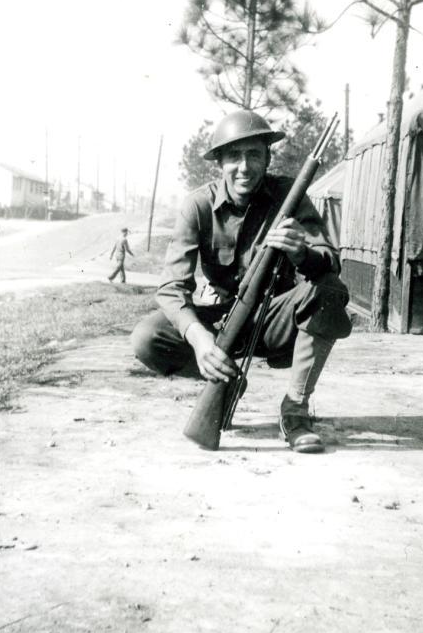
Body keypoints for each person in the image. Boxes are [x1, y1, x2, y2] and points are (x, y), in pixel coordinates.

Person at [131, 111, 352, 453]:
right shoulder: (198, 206)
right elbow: (172, 288)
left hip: (273, 320)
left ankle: (295, 410)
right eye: (234, 156)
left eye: (254, 155)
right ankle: (226, 382)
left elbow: (329, 261)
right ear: (219, 162)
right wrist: (200, 340)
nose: (244, 167)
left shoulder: (289, 195)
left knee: (329, 292)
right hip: (221, 322)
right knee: (148, 338)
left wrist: (301, 255)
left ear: (267, 159)